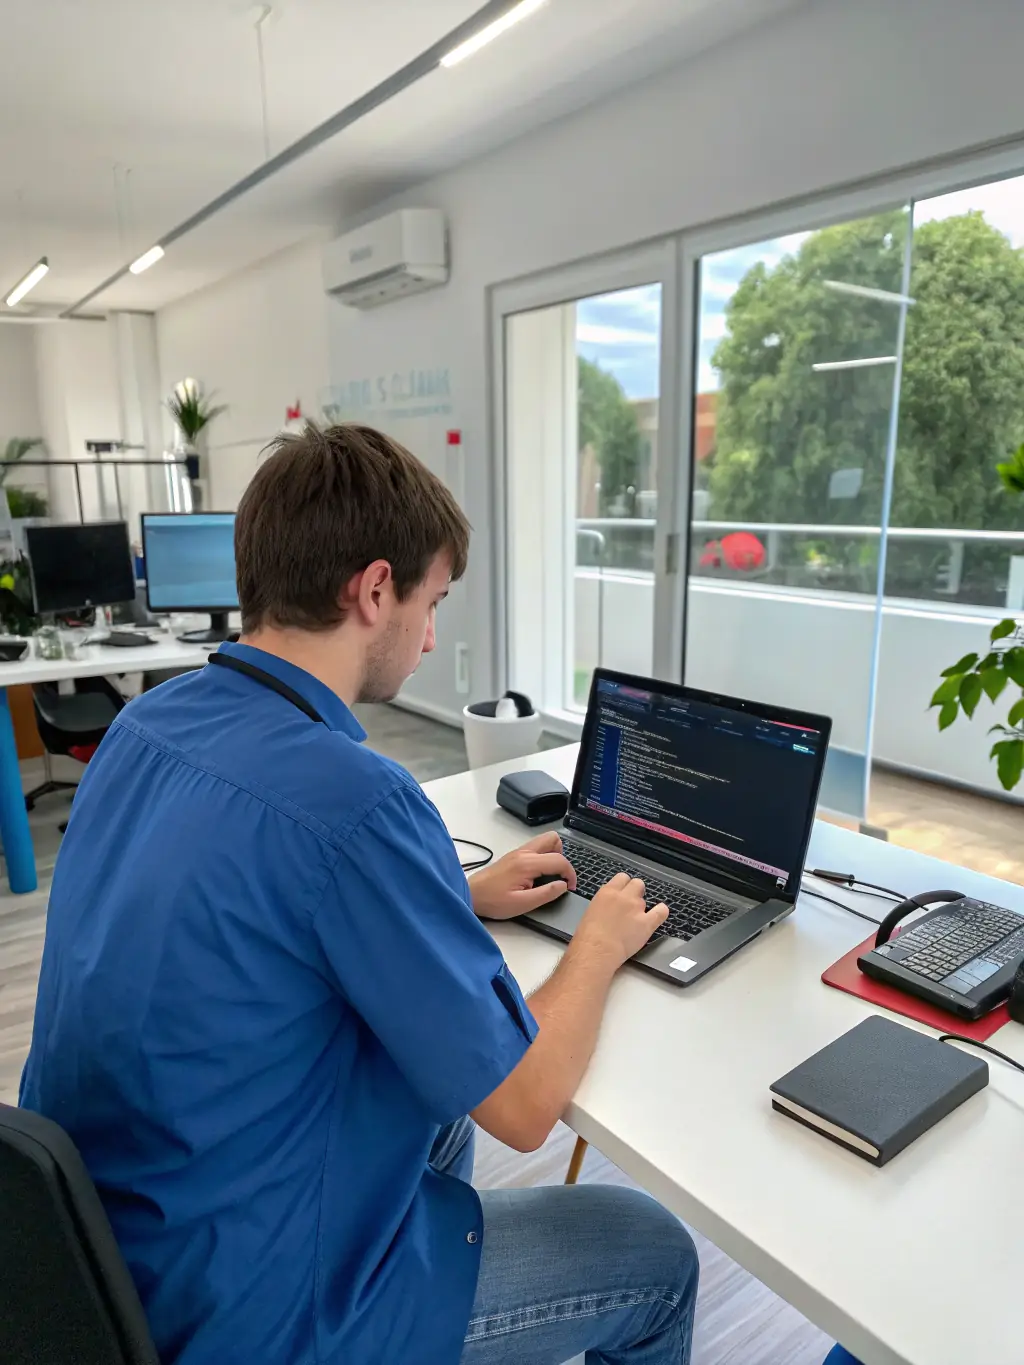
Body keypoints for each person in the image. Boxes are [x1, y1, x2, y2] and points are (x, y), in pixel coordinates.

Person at [21, 422, 698, 1365]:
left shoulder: (147, 725)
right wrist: (599, 941)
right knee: (654, 1250)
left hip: (116, 1249)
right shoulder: (358, 799)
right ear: (374, 588)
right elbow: (530, 1105)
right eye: (433, 602)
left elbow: (250, 909)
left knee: (435, 1116)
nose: (429, 636)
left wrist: (450, 895)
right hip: (254, 1317)